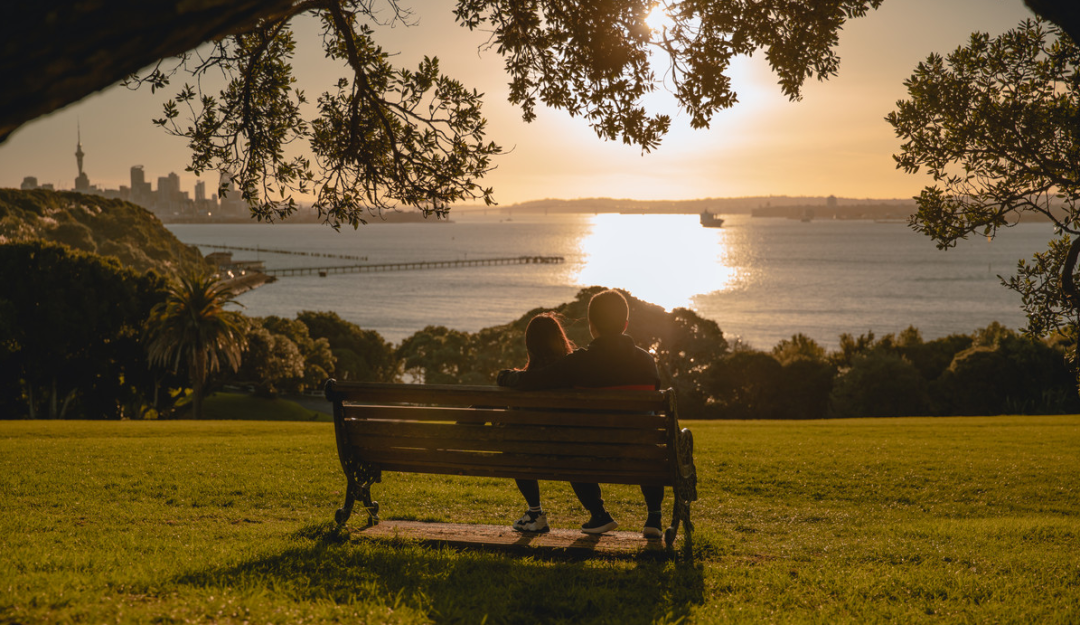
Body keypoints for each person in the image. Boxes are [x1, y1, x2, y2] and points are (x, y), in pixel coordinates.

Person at [498, 289, 664, 538]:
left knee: (573, 447)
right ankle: (654, 517)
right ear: (625, 324)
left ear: (591, 325)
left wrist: (506, 376)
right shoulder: (646, 361)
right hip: (641, 450)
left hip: (590, 452)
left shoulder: (579, 362)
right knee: (645, 443)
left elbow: (533, 380)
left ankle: (599, 513)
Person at [504, 312, 576, 534]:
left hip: (529, 454)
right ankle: (599, 513)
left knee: (516, 448)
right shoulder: (571, 375)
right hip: (571, 452)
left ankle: (535, 511)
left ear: (530, 345)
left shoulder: (524, 381)